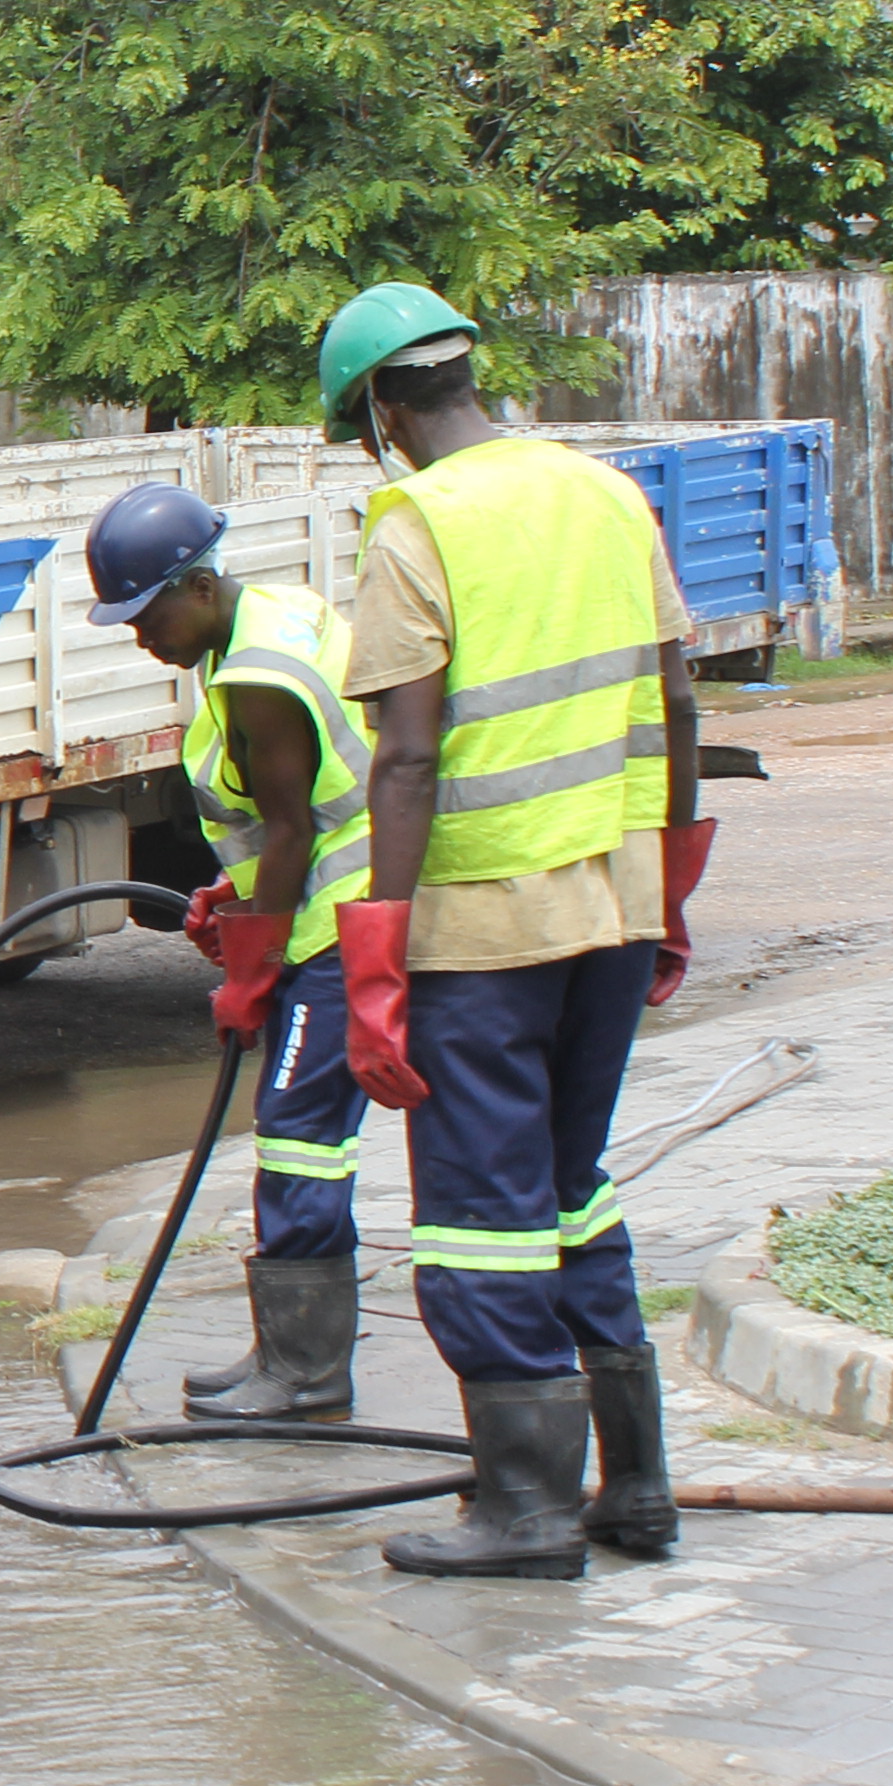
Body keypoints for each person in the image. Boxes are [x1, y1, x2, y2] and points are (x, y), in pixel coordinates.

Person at [320, 281, 708, 1580]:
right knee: (573, 1186)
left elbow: (409, 762)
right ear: (467, 375)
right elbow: (679, 701)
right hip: (612, 904)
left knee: (484, 1214)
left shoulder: (416, 525)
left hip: (484, 932)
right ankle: (636, 1489)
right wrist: (674, 877)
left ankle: (530, 1511)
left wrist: (374, 951)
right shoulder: (606, 493)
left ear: (383, 409)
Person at [80, 481, 374, 1423]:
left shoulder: (255, 678)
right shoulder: (272, 619)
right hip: (331, 914)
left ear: (198, 586)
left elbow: (292, 830)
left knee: (298, 1142)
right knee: (296, 1139)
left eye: (147, 613)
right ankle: (288, 1355)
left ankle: (306, 1372)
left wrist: (253, 970)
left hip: (334, 933)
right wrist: (231, 895)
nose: (140, 636)